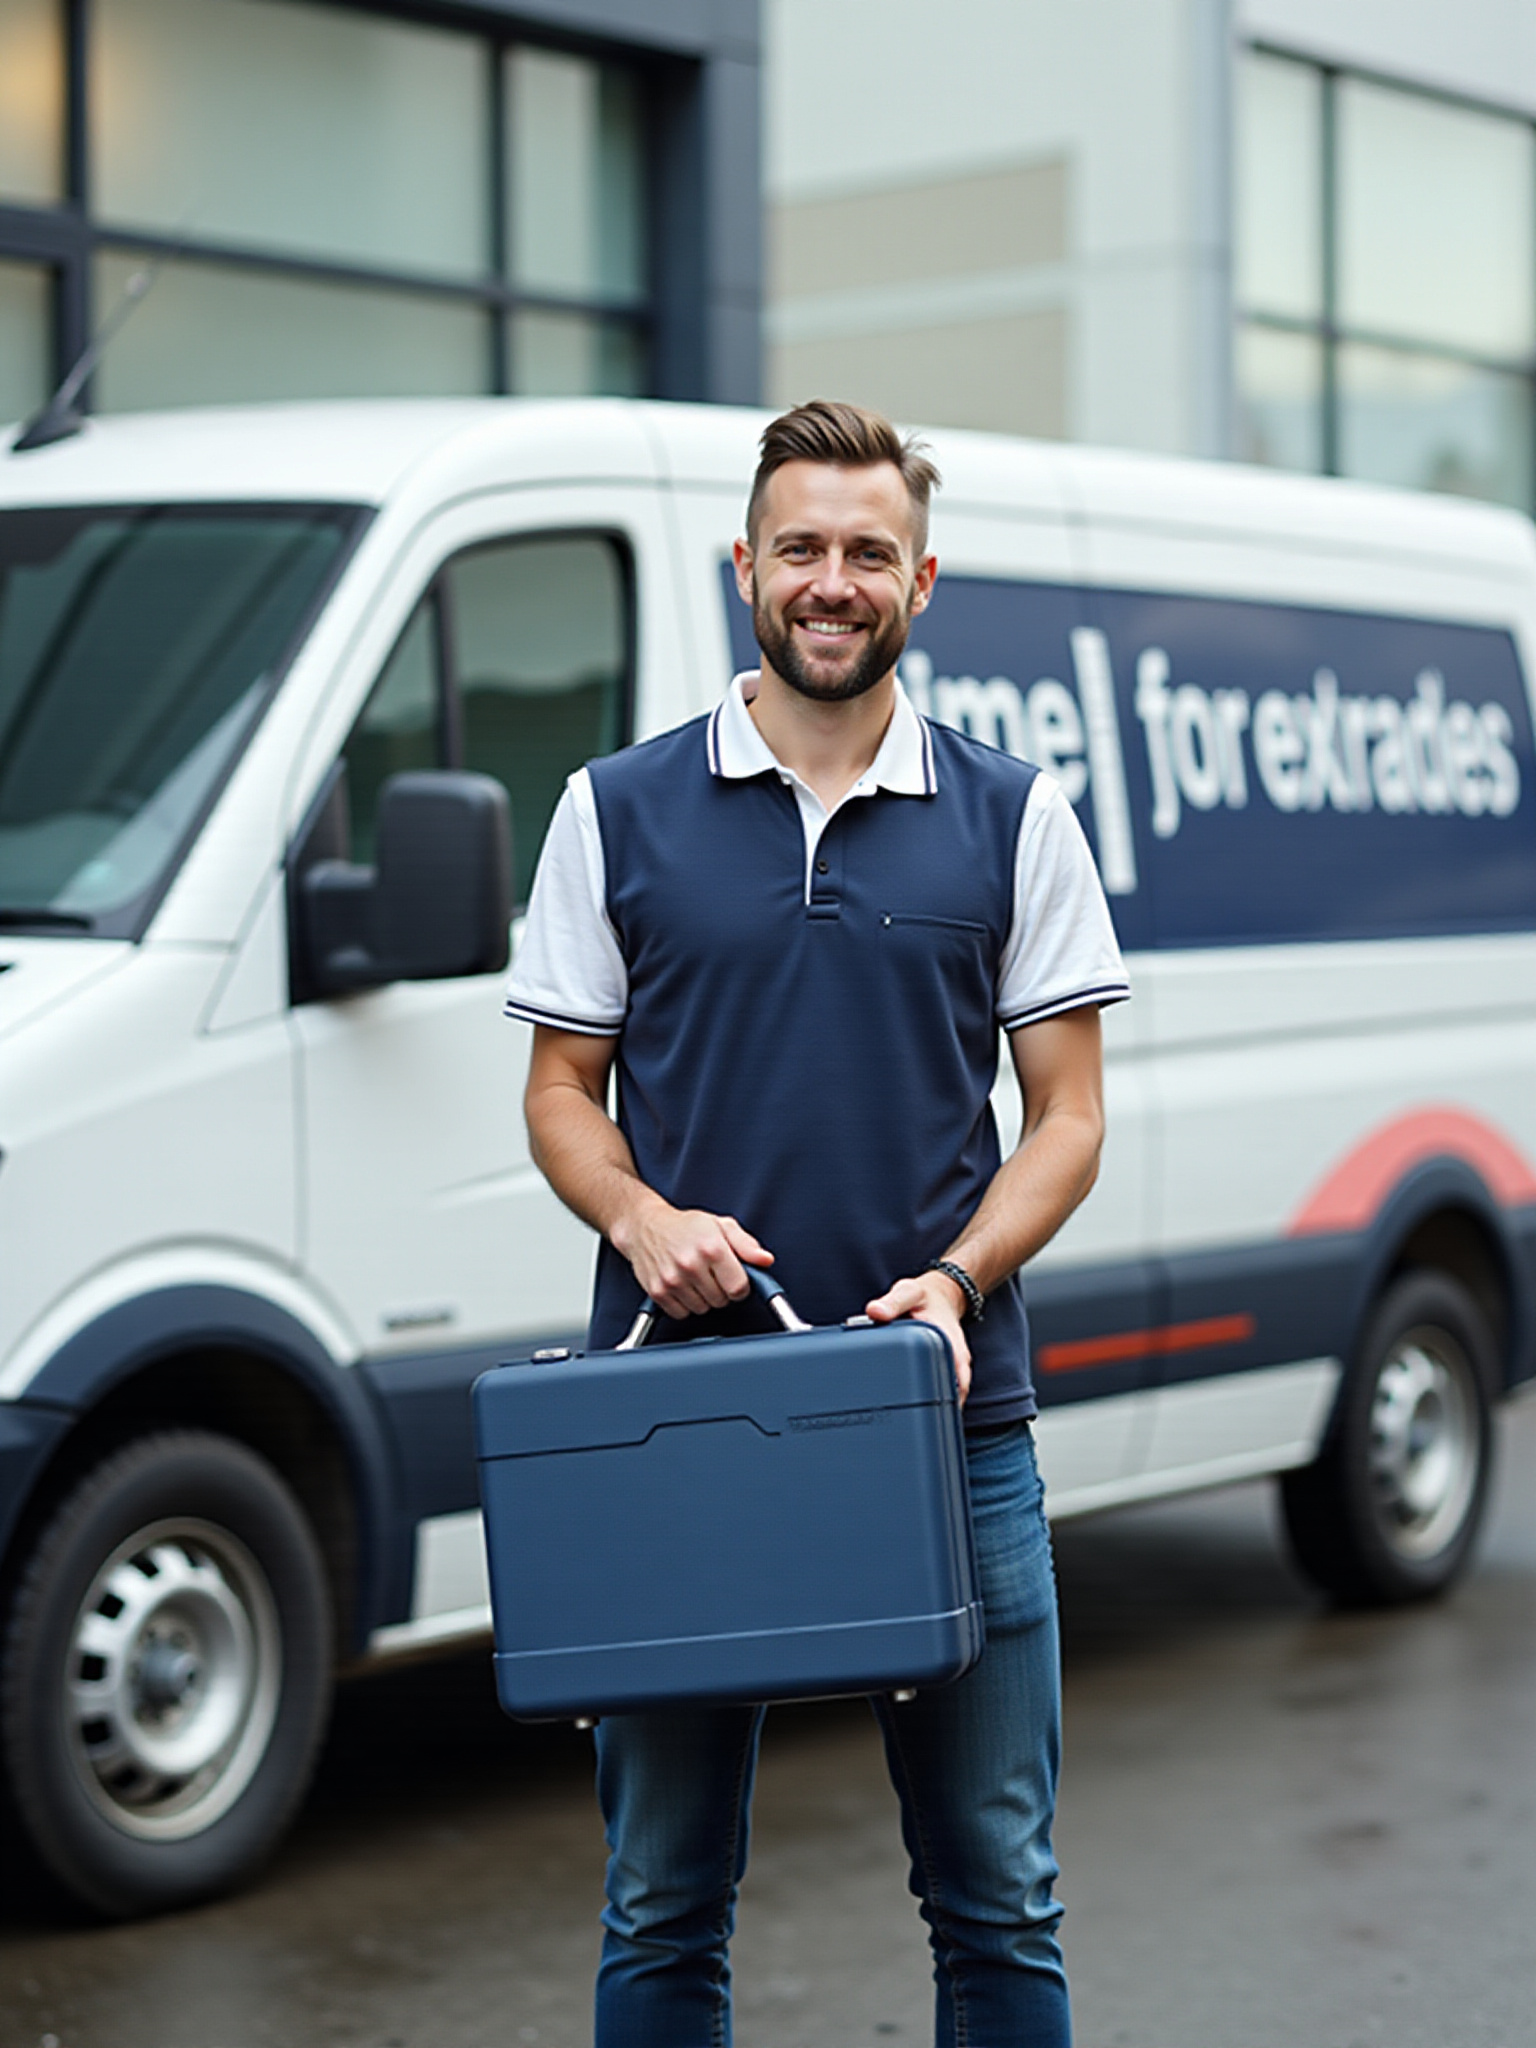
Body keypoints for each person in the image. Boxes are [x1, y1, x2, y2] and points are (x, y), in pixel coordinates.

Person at [504, 398, 1129, 2047]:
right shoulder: (615, 809)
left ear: (924, 580)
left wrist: (955, 1277)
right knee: (663, 1904)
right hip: (680, 1424)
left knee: (1001, 1898)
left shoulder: (1016, 814)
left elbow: (1067, 1117)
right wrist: (641, 1221)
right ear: (746, 566)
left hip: (951, 1424)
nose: (831, 581)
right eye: (801, 549)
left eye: (869, 552)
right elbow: (563, 1093)